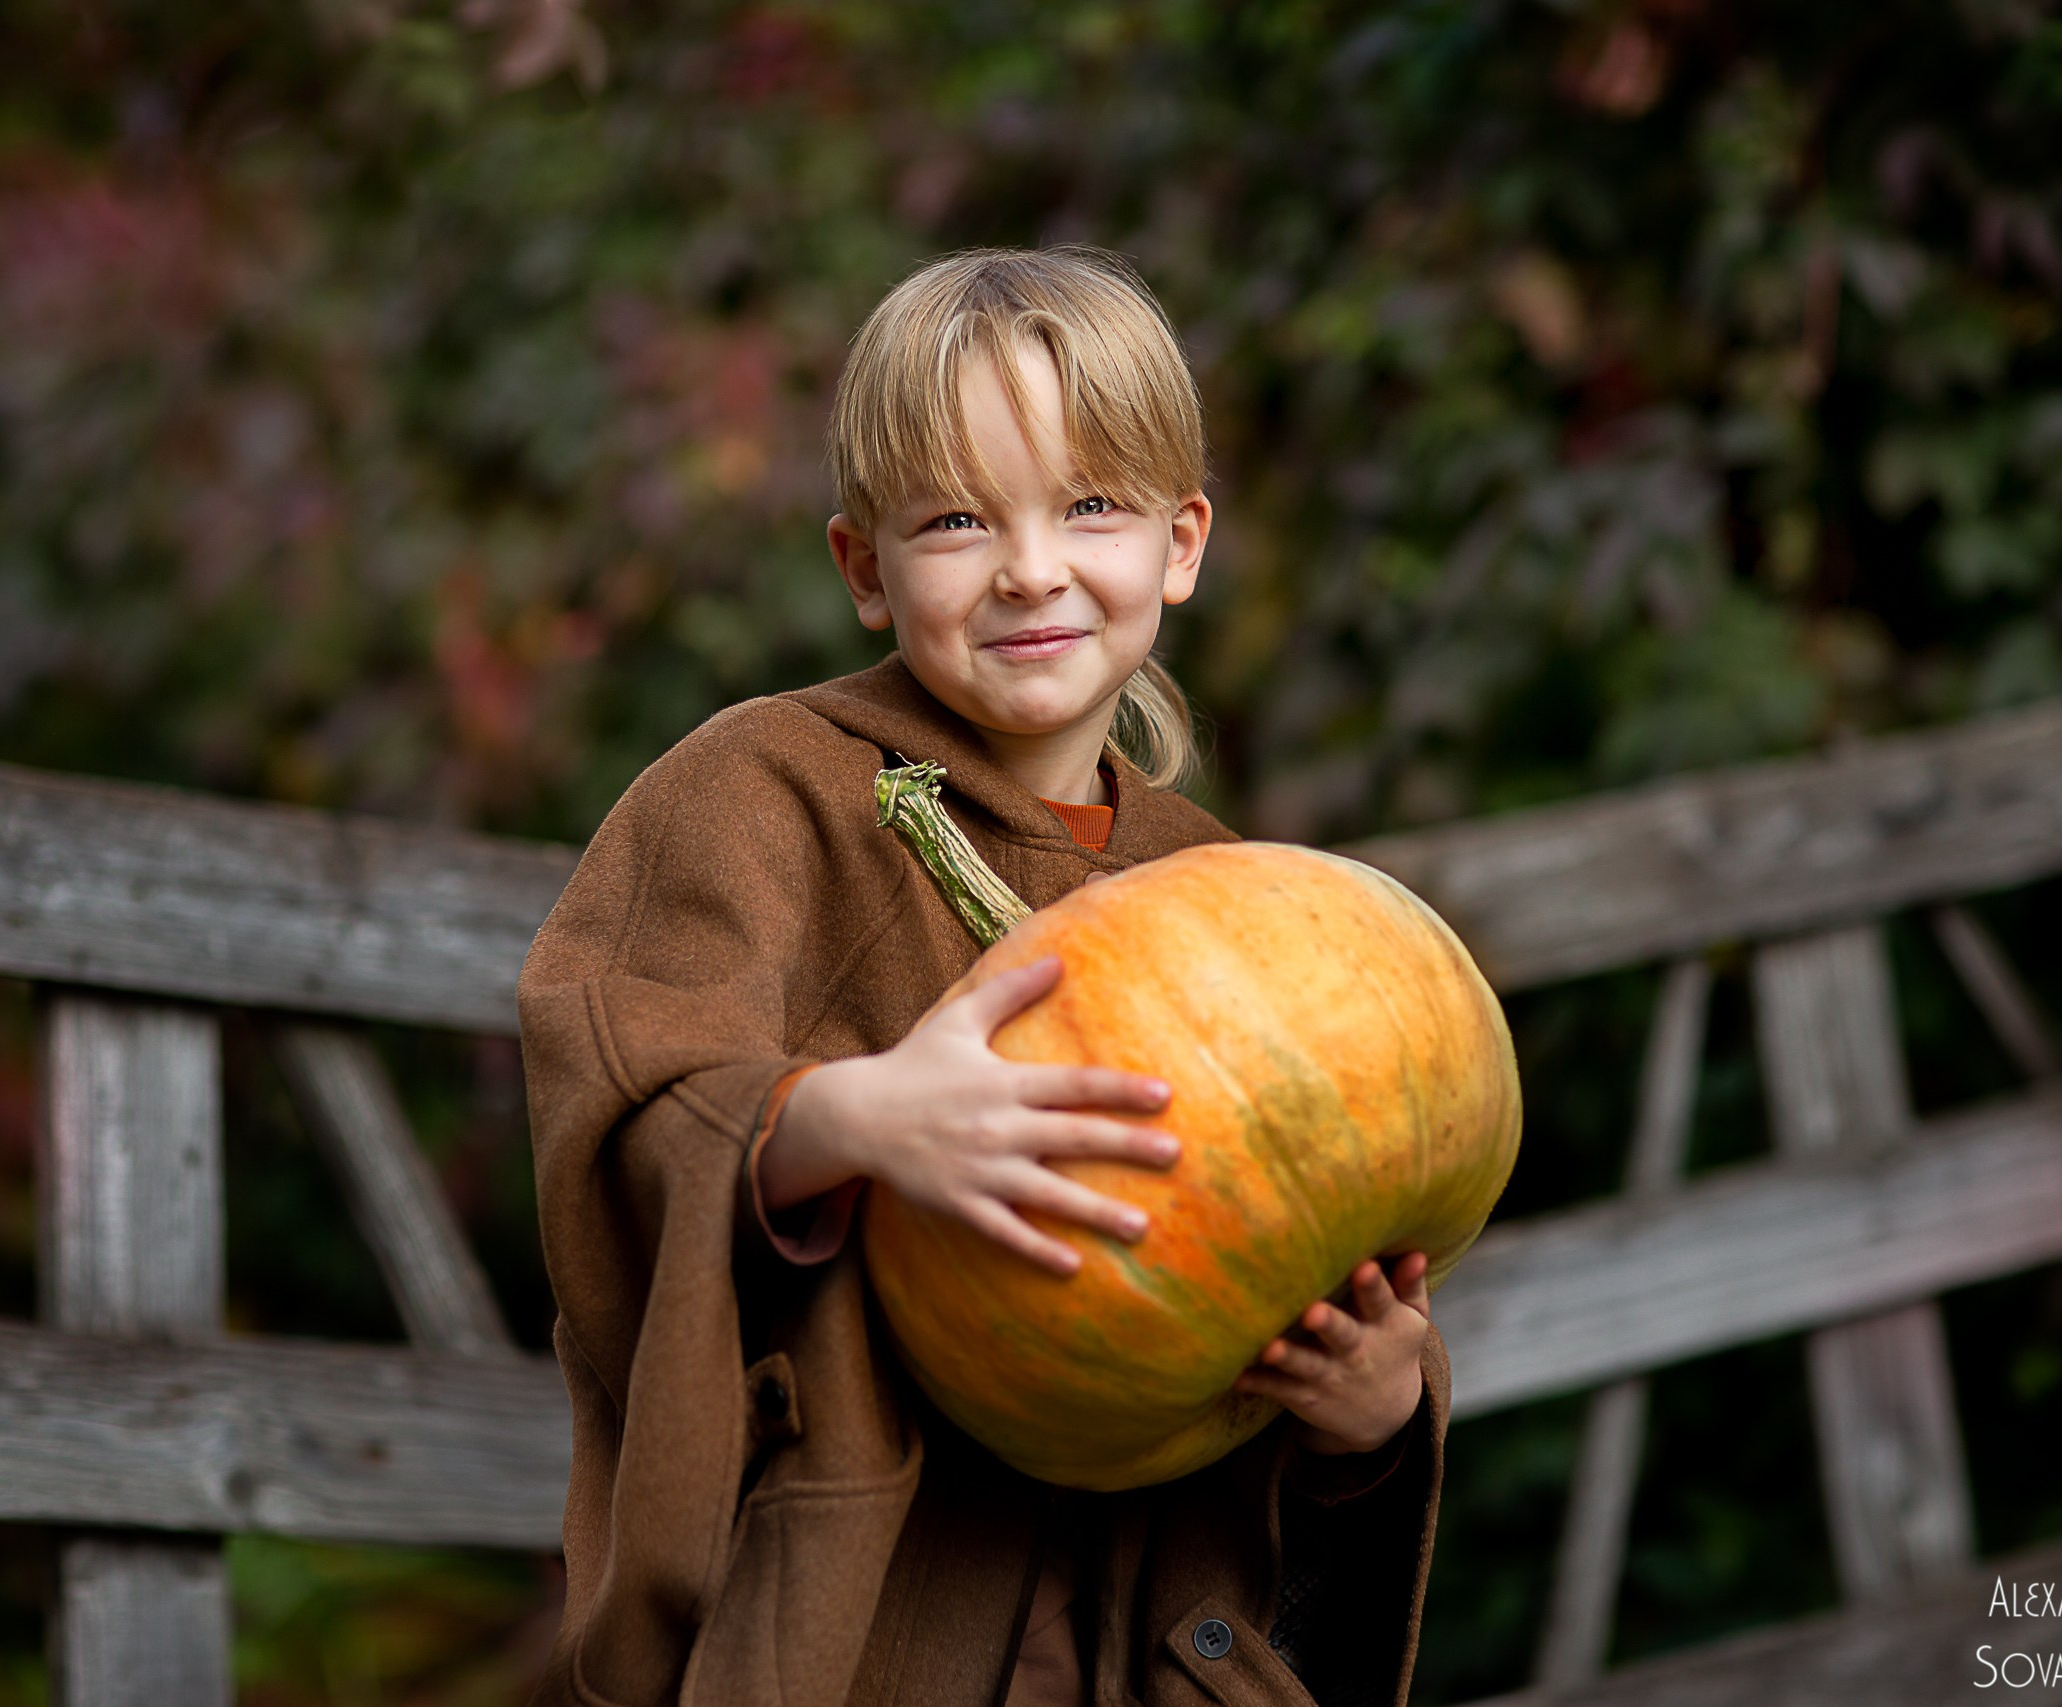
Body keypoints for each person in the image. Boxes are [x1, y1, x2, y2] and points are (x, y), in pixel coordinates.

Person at [519, 246, 1449, 1707]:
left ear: (1181, 543)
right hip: (863, 1644)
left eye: (1091, 505)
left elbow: (1271, 1241)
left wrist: (1376, 1415)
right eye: (956, 518)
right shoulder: (755, 798)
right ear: (862, 568)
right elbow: (624, 1103)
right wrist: (840, 1124)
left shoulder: (1229, 893)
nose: (1030, 566)